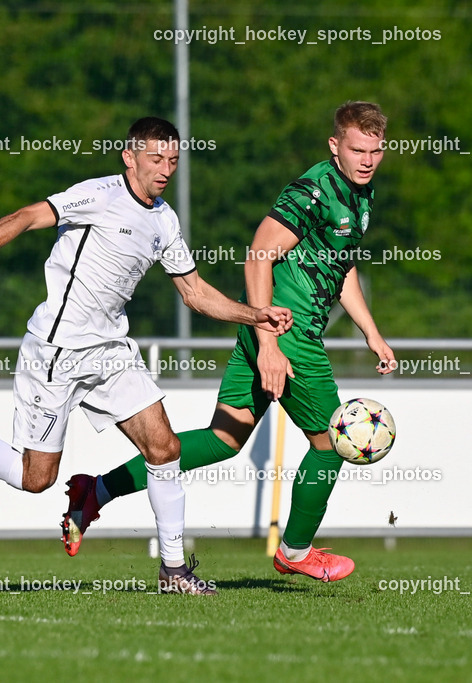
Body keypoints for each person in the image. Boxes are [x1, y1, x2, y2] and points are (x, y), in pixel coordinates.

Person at [0, 117, 293, 595]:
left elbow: (195, 293)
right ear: (129, 157)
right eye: (156, 158)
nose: (165, 169)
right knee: (35, 479)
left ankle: (174, 572)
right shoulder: (99, 195)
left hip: (111, 351)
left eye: (173, 160)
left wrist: (254, 314)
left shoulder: (165, 220)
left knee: (165, 448)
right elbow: (28, 216)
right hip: (57, 351)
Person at [61, 102, 394, 583]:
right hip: (286, 331)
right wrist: (270, 345)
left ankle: (96, 491)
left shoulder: (360, 197)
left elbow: (338, 269)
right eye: (357, 149)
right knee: (330, 444)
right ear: (334, 146)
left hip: (273, 332)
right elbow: (258, 255)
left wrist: (372, 333)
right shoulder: (312, 191)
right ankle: (296, 552)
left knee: (224, 440)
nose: (367, 160)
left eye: (375, 151)